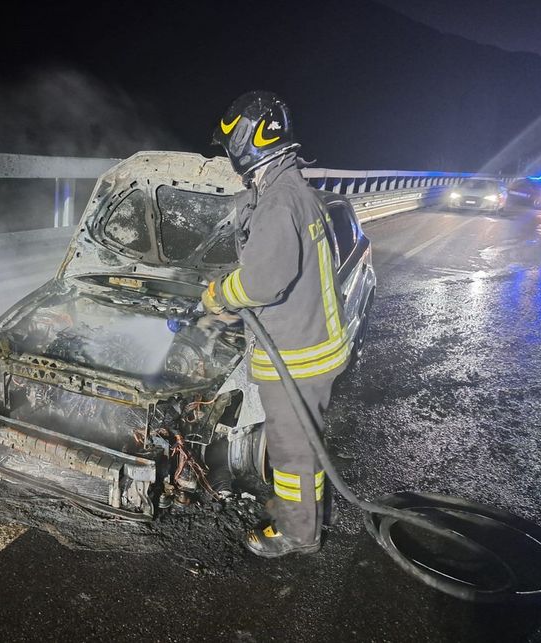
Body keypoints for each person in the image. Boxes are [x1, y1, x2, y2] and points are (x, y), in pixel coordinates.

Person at [201, 91, 348, 557]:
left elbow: (264, 282)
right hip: (306, 342)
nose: (228, 156)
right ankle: (301, 511)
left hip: (299, 353)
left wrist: (220, 294)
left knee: (292, 451)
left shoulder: (280, 202)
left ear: (247, 141)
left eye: (230, 146)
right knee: (298, 445)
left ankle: (298, 534)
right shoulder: (286, 189)